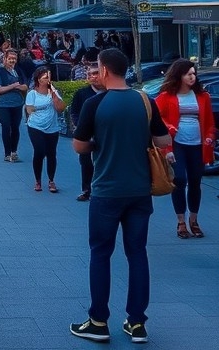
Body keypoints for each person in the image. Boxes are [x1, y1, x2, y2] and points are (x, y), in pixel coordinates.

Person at [70, 47, 170, 344]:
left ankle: (98, 321)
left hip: (106, 190)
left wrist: (100, 144)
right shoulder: (145, 100)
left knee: (101, 254)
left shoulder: (94, 104)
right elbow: (163, 140)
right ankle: (137, 323)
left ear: (103, 70)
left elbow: (79, 146)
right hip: (140, 191)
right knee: (137, 253)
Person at [154, 59, 216, 239]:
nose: (192, 77)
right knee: (179, 179)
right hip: (177, 144)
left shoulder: (203, 96)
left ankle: (194, 220)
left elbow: (210, 122)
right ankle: (181, 221)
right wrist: (167, 139)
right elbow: (156, 121)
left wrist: (210, 136)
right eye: (188, 73)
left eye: (194, 73)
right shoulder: (166, 96)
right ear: (178, 75)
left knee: (196, 181)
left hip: (198, 144)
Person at [25, 66, 66, 193]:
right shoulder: (32, 93)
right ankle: (38, 180)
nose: (48, 79)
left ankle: (51, 180)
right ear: (39, 79)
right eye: (45, 77)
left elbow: (61, 108)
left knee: (51, 154)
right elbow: (29, 110)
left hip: (52, 127)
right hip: (36, 126)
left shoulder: (53, 92)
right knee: (39, 151)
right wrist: (43, 106)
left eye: (49, 76)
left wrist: (54, 95)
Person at [71, 57, 103, 202]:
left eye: (95, 73)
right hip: (87, 135)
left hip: (105, 134)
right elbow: (74, 112)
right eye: (89, 74)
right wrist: (80, 127)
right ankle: (86, 189)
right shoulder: (81, 94)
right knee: (86, 162)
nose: (92, 77)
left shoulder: (110, 92)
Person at [0, 50, 27, 163]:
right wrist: (13, 86)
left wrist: (14, 87)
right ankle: (7, 153)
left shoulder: (18, 71)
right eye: (10, 58)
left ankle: (14, 151)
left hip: (17, 104)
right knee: (6, 127)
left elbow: (25, 87)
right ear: (5, 59)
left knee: (16, 127)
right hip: (3, 105)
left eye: (14, 58)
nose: (12, 60)